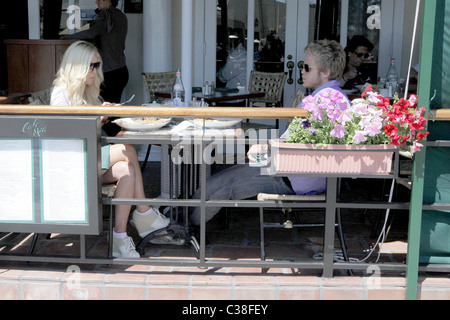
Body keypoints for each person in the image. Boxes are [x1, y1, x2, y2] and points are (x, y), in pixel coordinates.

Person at [190, 39, 349, 226]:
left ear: (326, 72)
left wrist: (265, 148)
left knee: (220, 184)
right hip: (290, 168)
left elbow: (301, 144)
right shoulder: (327, 96)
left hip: (294, 176)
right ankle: (184, 216)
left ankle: (187, 226)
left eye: (307, 67)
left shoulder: (328, 100)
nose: (302, 71)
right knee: (226, 169)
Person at [50, 41, 169, 258]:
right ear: (77, 66)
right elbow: (68, 137)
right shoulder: (61, 94)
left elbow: (86, 129)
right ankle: (143, 212)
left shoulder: (85, 92)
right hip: (73, 164)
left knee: (126, 169)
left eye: (98, 65)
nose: (96, 71)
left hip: (89, 159)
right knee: (126, 148)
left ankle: (120, 238)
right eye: (92, 66)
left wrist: (100, 117)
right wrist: (97, 118)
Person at [64, 0, 128, 136]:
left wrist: (67, 37)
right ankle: (118, 142)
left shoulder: (106, 15)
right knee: (113, 112)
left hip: (109, 72)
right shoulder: (122, 16)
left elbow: (92, 33)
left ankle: (112, 144)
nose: (95, 1)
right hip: (121, 69)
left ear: (107, 0)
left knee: (106, 112)